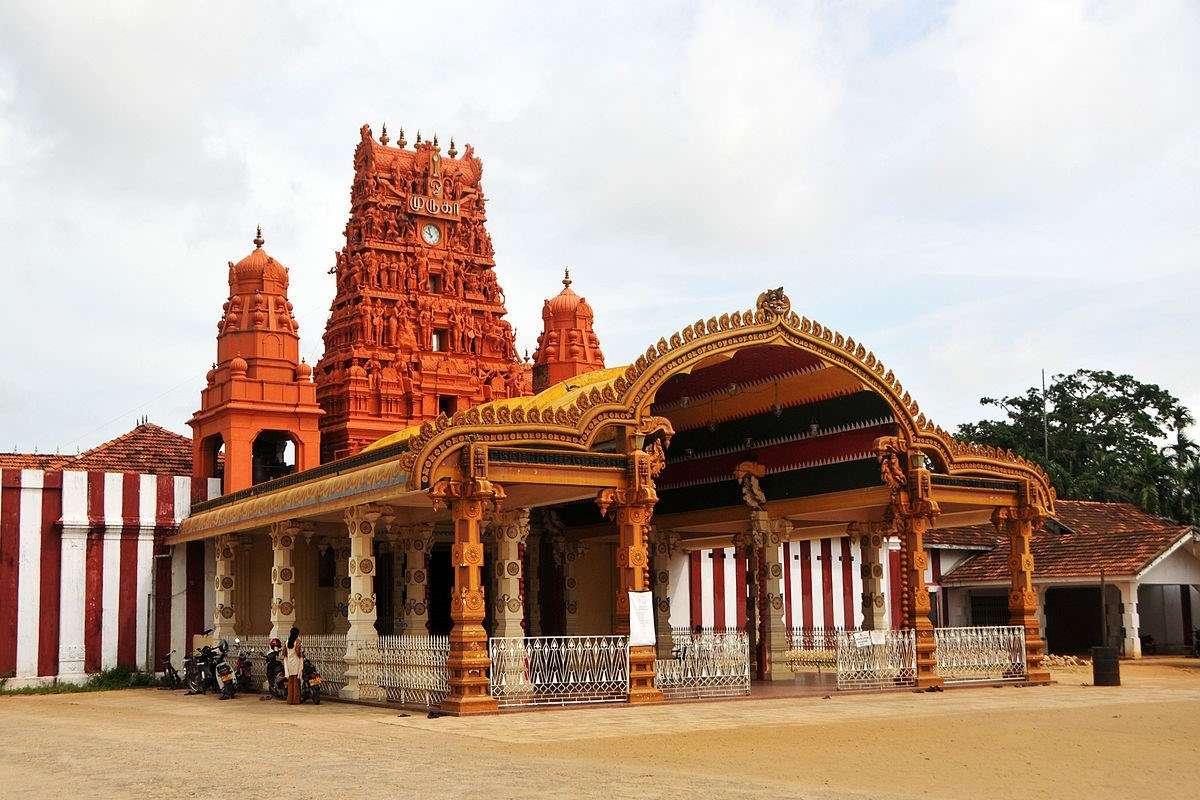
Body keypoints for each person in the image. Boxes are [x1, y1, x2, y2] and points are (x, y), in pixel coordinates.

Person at [284, 626, 303, 705]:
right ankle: (295, 700)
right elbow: (298, 653)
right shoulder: (297, 641)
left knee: (290, 682)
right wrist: (301, 657)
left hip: (289, 663)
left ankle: (290, 700)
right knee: (296, 682)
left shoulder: (287, 642)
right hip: (296, 662)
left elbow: (284, 653)